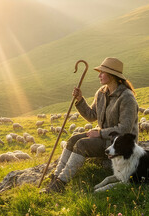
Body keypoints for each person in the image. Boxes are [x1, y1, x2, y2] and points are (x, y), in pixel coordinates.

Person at [42, 57, 139, 193]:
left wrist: (99, 133)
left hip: (119, 144)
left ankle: (61, 184)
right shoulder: (101, 92)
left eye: (102, 72)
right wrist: (80, 100)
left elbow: (125, 129)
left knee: (82, 144)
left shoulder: (126, 97)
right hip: (104, 138)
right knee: (73, 139)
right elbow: (92, 116)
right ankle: (56, 177)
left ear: (112, 76)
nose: (99, 75)